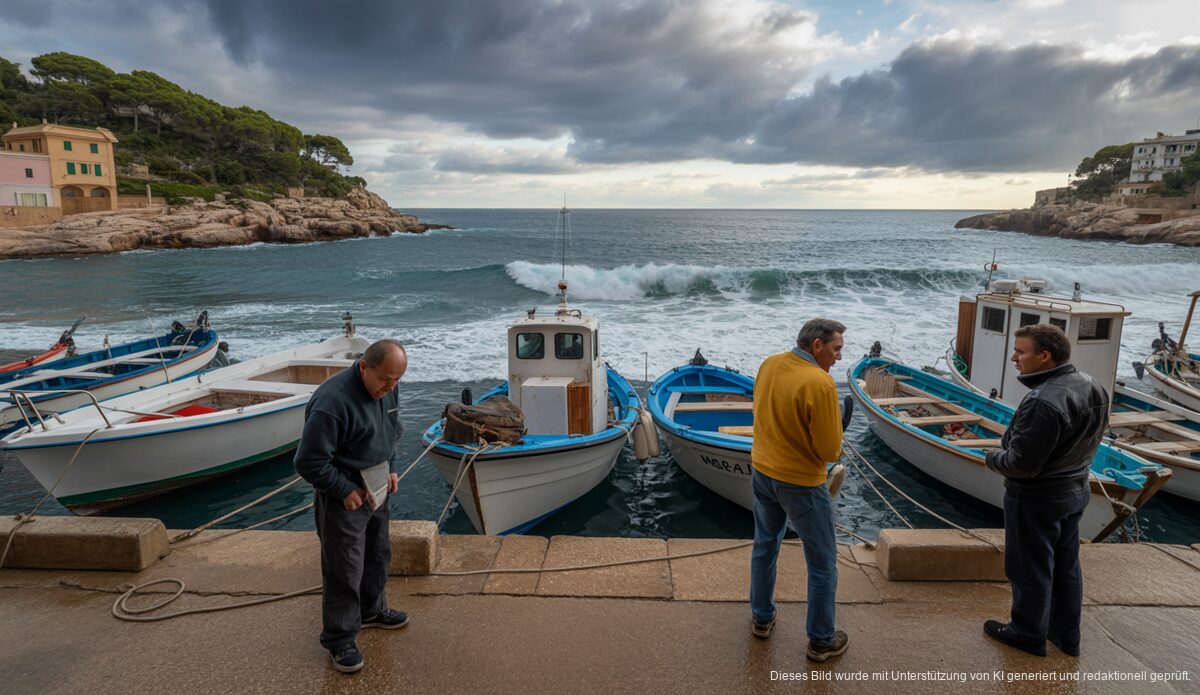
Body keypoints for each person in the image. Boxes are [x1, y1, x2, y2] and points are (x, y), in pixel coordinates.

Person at [984, 324, 1108, 658]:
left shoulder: (1043, 400)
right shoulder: (1093, 385)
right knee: (1066, 566)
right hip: (1075, 489)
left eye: (1020, 351)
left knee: (1029, 567)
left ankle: (1027, 633)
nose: (1014, 357)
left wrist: (992, 458)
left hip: (1037, 497)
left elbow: (1022, 463)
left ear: (1044, 356)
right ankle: (1067, 637)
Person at [295, 338, 410, 673]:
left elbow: (391, 432)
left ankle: (372, 611)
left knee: (378, 553)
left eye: (397, 380)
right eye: (385, 379)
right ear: (364, 367)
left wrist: (391, 468)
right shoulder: (332, 401)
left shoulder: (389, 386)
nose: (390, 387)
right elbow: (308, 461)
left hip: (377, 485)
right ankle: (339, 637)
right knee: (344, 567)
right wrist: (344, 489)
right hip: (343, 495)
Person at [749, 318, 849, 662]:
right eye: (836, 349)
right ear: (817, 346)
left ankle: (761, 617)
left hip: (762, 471)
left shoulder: (769, 364)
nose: (838, 357)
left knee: (765, 545)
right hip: (802, 483)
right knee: (822, 562)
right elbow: (830, 451)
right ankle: (821, 639)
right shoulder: (820, 384)